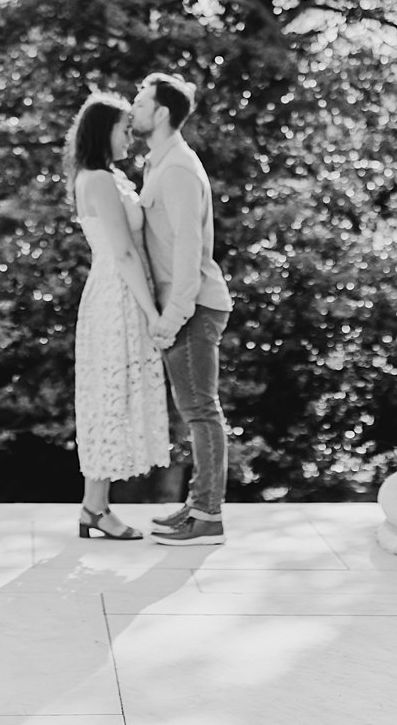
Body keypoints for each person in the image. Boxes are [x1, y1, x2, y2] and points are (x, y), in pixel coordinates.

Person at [130, 72, 234, 546]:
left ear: (162, 113)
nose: (133, 108)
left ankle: (208, 516)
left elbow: (189, 257)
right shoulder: (159, 164)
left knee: (201, 412)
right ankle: (196, 505)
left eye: (140, 101)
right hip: (185, 307)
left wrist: (169, 321)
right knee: (194, 410)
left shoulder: (176, 170)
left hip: (192, 308)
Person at [64, 93, 172, 540]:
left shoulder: (104, 177)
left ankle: (94, 507)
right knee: (109, 396)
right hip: (118, 295)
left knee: (110, 395)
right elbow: (124, 252)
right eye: (124, 128)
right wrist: (153, 313)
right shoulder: (99, 181)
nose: (131, 135)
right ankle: (96, 508)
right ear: (102, 131)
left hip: (117, 291)